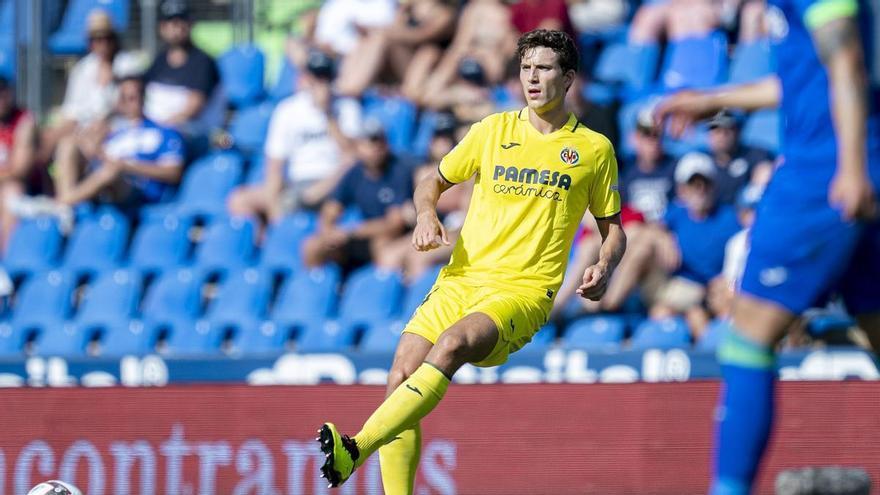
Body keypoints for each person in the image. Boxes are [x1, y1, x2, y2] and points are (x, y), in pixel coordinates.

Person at [315, 29, 626, 492]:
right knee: (400, 374)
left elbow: (614, 230)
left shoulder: (593, 150)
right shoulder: (491, 131)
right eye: (525, 69)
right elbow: (431, 181)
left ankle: (357, 447)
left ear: (569, 78)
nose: (532, 79)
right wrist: (425, 214)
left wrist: (605, 265)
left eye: (543, 69)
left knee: (453, 344)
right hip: (460, 279)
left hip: (521, 292)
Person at [655, 0, 879, 492]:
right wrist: (712, 98)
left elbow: (847, 62)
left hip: (824, 174)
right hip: (851, 163)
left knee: (749, 336)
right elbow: (806, 79)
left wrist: (852, 167)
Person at [227, 50, 361, 224]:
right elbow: (275, 166)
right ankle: (269, 241)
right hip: (297, 183)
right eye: (315, 77)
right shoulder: (288, 110)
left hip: (335, 181)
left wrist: (327, 114)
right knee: (239, 200)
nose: (319, 83)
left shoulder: (348, 107)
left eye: (324, 77)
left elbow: (353, 154)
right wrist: (274, 209)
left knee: (339, 173)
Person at [53, 76, 184, 211]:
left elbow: (173, 172)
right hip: (106, 184)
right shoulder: (113, 133)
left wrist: (127, 167)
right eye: (122, 98)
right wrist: (93, 146)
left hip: (141, 190)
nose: (126, 103)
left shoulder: (163, 132)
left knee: (112, 170)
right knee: (68, 144)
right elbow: (101, 159)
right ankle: (66, 202)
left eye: (132, 98)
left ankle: (62, 204)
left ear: (143, 98)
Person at [301, 121, 412, 273]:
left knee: (382, 246)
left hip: (384, 235)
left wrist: (352, 232)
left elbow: (395, 224)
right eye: (370, 142)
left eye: (379, 141)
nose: (376, 148)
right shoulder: (355, 173)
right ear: (359, 147)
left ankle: (379, 289)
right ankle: (319, 287)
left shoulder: (398, 171)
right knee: (313, 246)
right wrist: (329, 232)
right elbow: (331, 209)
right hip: (358, 236)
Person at [143, 0, 220, 140]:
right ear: (162, 27)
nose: (177, 28)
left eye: (181, 21)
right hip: (155, 131)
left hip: (189, 133)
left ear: (191, 24)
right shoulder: (159, 61)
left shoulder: (203, 62)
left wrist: (157, 129)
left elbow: (193, 108)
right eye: (171, 22)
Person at [704, 109, 774, 204]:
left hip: (747, 212)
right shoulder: (699, 160)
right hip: (712, 215)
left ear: (738, 131)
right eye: (716, 129)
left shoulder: (755, 155)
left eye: (727, 129)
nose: (722, 134)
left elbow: (765, 170)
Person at [0, 77, 36, 250]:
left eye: (2, 90)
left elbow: (20, 170)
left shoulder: (24, 121)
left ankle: (5, 262)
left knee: (11, 192)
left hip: (26, 189)